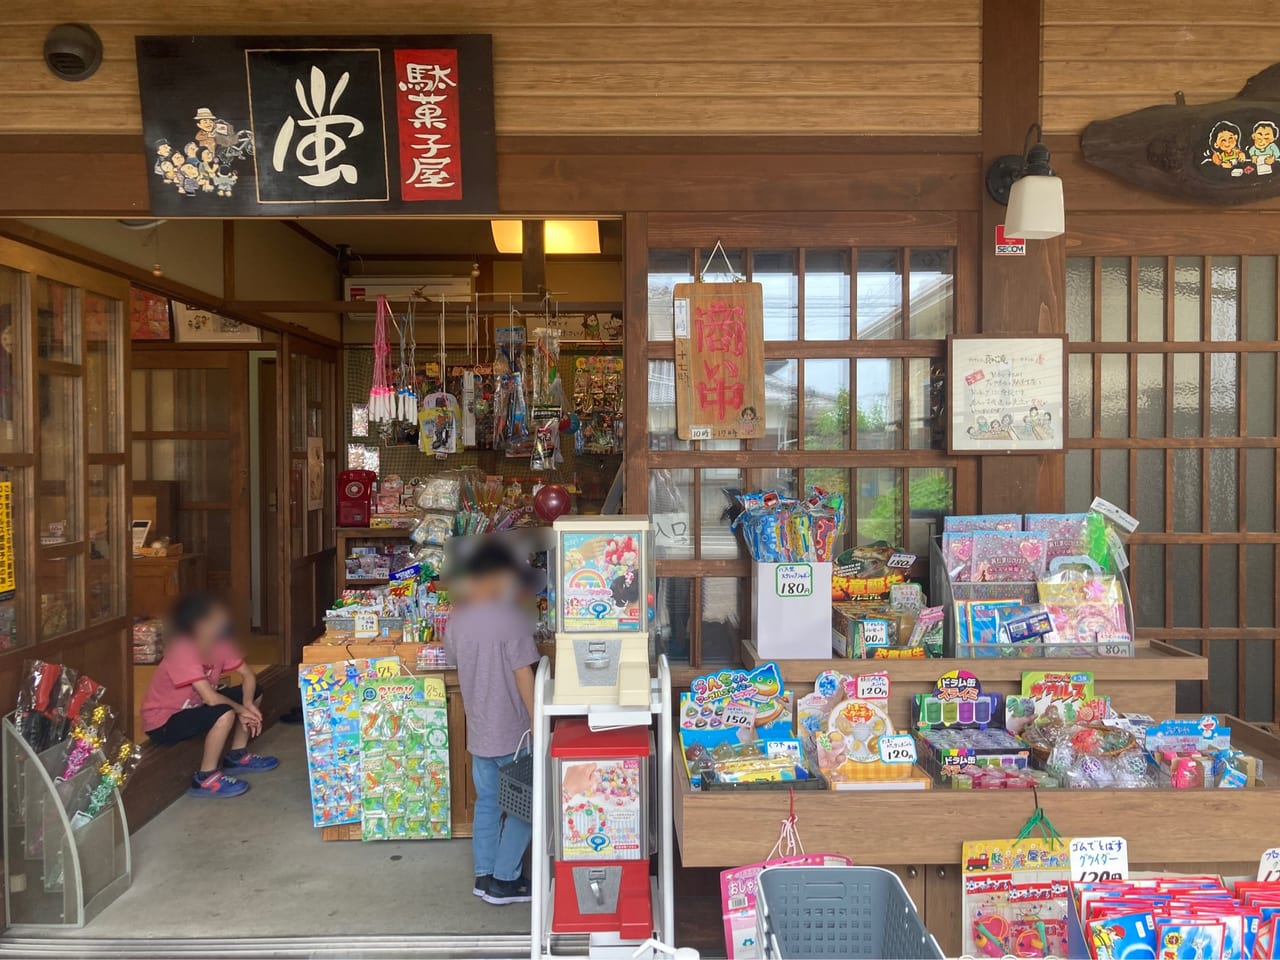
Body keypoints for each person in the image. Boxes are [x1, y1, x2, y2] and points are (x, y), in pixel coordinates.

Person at [443, 538, 543, 906]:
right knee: (525, 806)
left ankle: (483, 874)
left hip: (480, 731)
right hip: (514, 734)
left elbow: (457, 662)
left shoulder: (457, 621)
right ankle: (504, 880)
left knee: (486, 803)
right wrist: (539, 721)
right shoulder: (511, 618)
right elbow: (523, 674)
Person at [140, 593, 278, 798]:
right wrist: (241, 710)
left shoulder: (220, 643)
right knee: (225, 712)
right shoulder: (182, 649)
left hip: (195, 708)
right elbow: (211, 699)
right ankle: (205, 777)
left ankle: (237, 755)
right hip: (165, 720)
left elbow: (248, 675)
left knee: (254, 691)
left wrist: (247, 703)